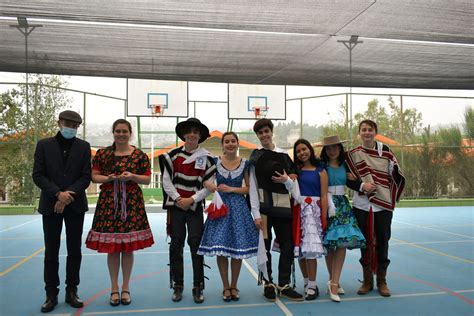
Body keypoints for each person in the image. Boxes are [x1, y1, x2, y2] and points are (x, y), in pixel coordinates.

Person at [85, 119, 154, 306]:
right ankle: (114, 288)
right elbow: (94, 176)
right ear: (113, 132)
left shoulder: (139, 155)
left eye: (124, 131)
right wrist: (108, 179)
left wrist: (132, 176)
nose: (121, 134)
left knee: (128, 248)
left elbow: (147, 180)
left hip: (132, 204)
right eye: (117, 131)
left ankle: (126, 287)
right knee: (113, 249)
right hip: (109, 203)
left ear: (130, 133)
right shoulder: (103, 153)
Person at [32, 110, 91, 313]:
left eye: (75, 125)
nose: (71, 128)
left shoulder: (84, 147)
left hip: (74, 206)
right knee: (51, 251)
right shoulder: (44, 145)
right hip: (51, 205)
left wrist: (68, 195)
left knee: (75, 250)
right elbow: (38, 175)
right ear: (59, 123)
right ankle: (51, 294)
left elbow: (86, 176)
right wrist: (58, 194)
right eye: (68, 124)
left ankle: (72, 291)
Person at [198, 132, 262, 302]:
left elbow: (249, 188)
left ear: (237, 143)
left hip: (238, 208)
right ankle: (225, 286)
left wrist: (232, 189)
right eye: (227, 142)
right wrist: (212, 186)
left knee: (236, 249)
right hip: (220, 207)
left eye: (233, 141)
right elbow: (205, 181)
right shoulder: (214, 162)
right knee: (221, 247)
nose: (230, 144)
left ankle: (234, 285)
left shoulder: (246, 164)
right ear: (223, 144)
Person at [159, 118, 216, 304]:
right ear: (184, 135)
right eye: (189, 131)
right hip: (176, 207)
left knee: (196, 244)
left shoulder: (207, 158)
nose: (192, 135)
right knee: (176, 245)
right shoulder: (172, 156)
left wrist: (191, 199)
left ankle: (198, 285)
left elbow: (209, 186)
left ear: (200, 136)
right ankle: (178, 285)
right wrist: (178, 199)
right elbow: (166, 181)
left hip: (194, 207)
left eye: (196, 132)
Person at [346, 120, 405, 297]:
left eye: (370, 129)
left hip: (383, 204)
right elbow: (348, 180)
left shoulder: (386, 152)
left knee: (383, 240)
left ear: (375, 132)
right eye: (363, 130)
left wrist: (383, 182)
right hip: (361, 204)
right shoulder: (353, 155)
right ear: (359, 133)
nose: (367, 133)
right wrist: (362, 185)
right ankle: (367, 280)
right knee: (365, 242)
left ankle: (381, 281)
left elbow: (396, 175)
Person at [249, 119, 304, 301]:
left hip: (282, 208)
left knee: (287, 245)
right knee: (264, 246)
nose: (264, 135)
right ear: (258, 136)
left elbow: (293, 186)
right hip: (264, 209)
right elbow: (253, 187)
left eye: (266, 131)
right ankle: (268, 283)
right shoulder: (255, 157)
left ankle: (284, 283)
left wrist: (286, 180)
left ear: (272, 132)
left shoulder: (284, 156)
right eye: (260, 133)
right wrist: (255, 213)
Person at [273, 138, 328, 301]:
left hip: (315, 213)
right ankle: (306, 283)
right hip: (298, 211)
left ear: (310, 149)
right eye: (298, 151)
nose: (302, 153)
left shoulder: (321, 171)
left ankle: (312, 284)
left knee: (311, 249)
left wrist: (323, 215)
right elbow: (292, 189)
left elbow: (324, 195)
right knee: (301, 249)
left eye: (304, 149)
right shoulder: (295, 171)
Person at [320, 135, 366, 302]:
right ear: (325, 150)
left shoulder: (346, 165)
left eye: (335, 147)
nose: (332, 150)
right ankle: (333, 280)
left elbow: (358, 181)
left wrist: (354, 178)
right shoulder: (321, 166)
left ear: (340, 148)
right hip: (326, 204)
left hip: (343, 205)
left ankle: (334, 283)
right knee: (329, 243)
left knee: (341, 244)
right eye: (329, 148)